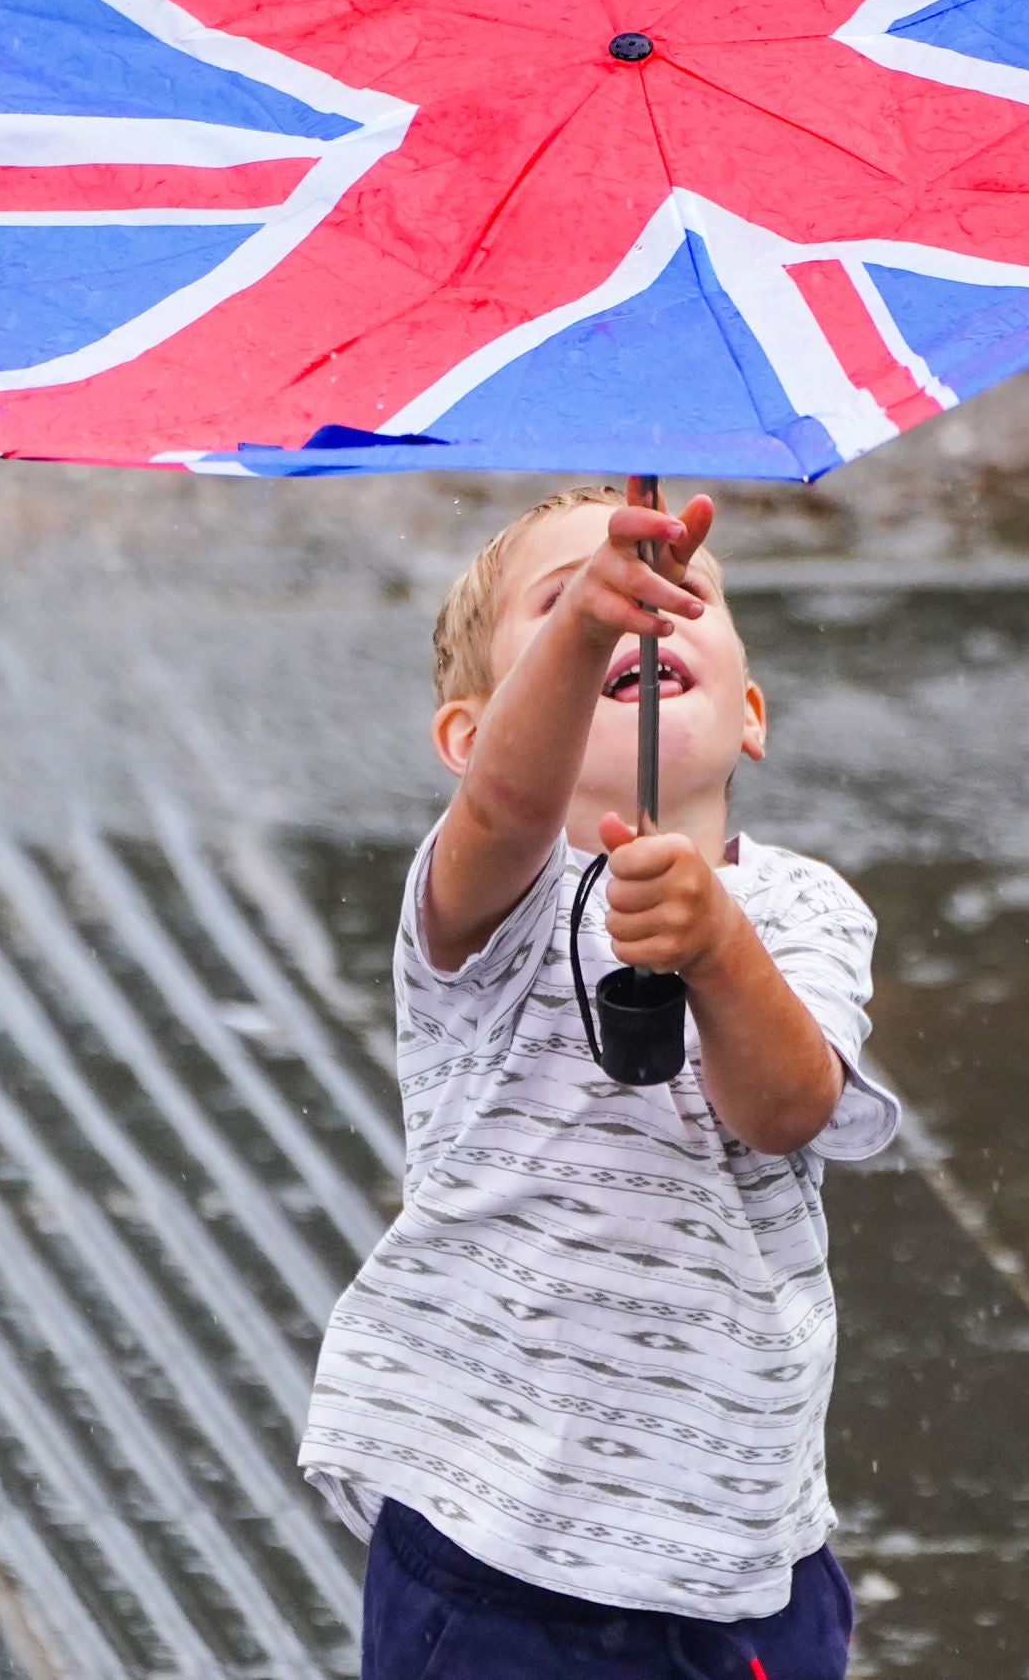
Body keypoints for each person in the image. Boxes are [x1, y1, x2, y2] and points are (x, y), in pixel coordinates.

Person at [300, 485, 900, 1679]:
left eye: (682, 592)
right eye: (566, 600)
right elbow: (507, 813)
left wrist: (717, 945)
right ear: (471, 736)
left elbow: (785, 1107)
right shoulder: (490, 906)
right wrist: (587, 627)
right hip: (493, 1545)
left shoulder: (801, 910)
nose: (639, 613)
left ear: (752, 717)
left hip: (739, 1548)